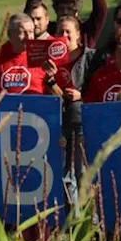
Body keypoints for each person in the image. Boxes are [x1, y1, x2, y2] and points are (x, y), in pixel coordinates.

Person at [42, 16, 100, 187]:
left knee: (83, 173)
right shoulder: (48, 61)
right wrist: (50, 80)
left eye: (68, 31)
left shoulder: (91, 57)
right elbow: (50, 94)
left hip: (82, 122)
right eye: (60, 32)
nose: (64, 35)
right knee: (62, 174)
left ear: (78, 35)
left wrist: (81, 95)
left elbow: (98, 88)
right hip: (57, 123)